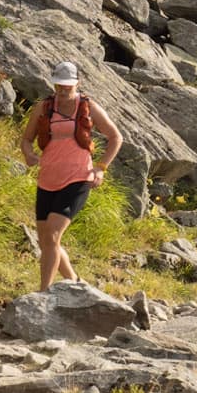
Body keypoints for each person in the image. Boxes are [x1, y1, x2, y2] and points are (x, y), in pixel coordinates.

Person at [19, 61, 123, 293]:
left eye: (68, 85)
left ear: (77, 83)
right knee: (47, 240)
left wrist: (100, 168)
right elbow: (26, 139)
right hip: (47, 178)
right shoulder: (44, 107)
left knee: (53, 234)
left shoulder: (88, 106)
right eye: (59, 85)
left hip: (78, 177)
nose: (63, 90)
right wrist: (28, 154)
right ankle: (76, 283)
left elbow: (116, 137)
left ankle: (44, 292)